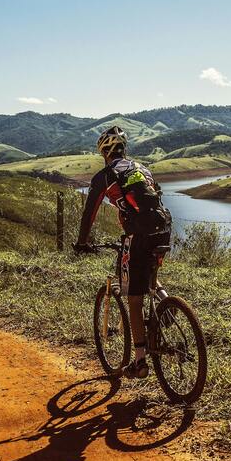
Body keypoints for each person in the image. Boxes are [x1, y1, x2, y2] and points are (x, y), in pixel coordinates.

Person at [74, 126, 172, 379]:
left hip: (137, 236)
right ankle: (168, 303)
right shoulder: (142, 169)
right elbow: (156, 198)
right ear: (123, 150)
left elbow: (89, 214)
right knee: (150, 276)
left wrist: (82, 242)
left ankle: (139, 362)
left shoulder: (105, 176)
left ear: (104, 153)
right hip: (163, 228)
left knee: (134, 298)